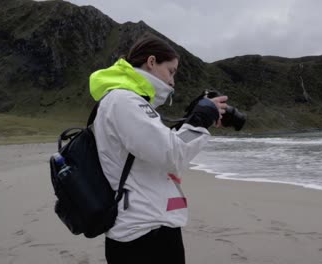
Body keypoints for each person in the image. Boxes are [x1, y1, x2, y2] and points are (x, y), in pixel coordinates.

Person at [89, 34, 227, 263]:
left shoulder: (128, 101)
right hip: (143, 230)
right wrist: (200, 119)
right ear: (151, 62)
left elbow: (156, 150)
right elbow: (172, 155)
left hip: (144, 223)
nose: (173, 81)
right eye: (171, 71)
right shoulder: (124, 101)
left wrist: (190, 120)